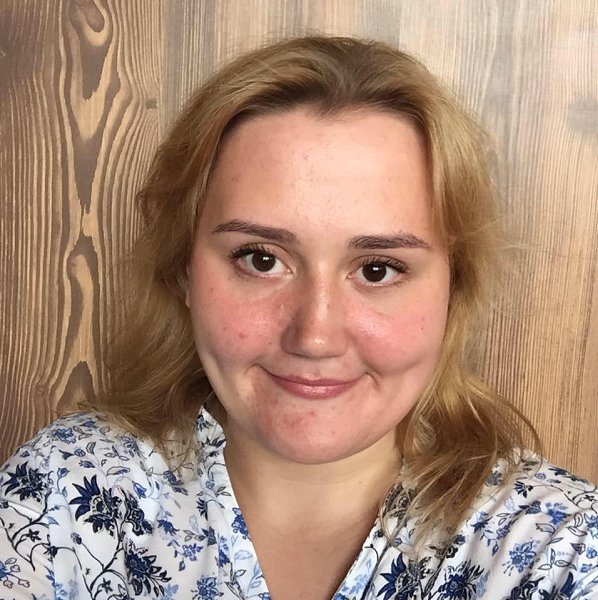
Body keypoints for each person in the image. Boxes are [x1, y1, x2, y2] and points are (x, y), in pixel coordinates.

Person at [0, 35, 596, 600]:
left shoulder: (562, 550)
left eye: (378, 269)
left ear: (452, 288)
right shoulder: (62, 495)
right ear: (183, 270)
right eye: (261, 259)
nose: (314, 335)